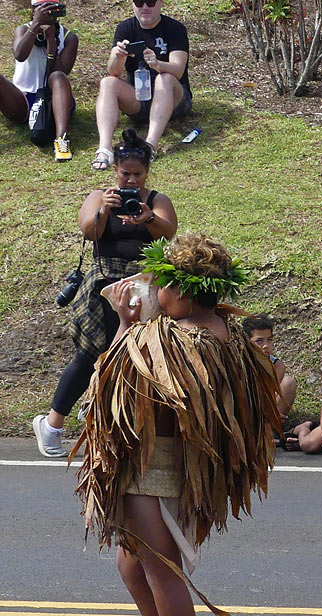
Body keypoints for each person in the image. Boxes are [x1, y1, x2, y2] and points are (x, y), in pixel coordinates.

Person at [72, 233, 279, 616]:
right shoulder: (218, 330)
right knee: (132, 563)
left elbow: (118, 386)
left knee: (161, 570)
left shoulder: (178, 340)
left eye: (161, 283)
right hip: (172, 464)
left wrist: (126, 325)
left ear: (182, 292)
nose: (154, 291)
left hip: (156, 465)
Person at [33, 128, 177, 458]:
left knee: (138, 358)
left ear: (147, 173)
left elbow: (169, 231)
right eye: (125, 174)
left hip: (143, 284)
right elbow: (88, 230)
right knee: (90, 354)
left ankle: (118, 429)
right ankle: (52, 425)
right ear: (115, 170)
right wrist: (105, 210)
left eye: (137, 175)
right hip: (102, 284)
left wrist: (148, 217)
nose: (130, 181)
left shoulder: (156, 200)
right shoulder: (100, 197)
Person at [92, 0, 191, 170]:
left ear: (160, 3)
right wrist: (118, 56)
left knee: (164, 78)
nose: (145, 7)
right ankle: (105, 149)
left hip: (174, 99)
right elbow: (113, 72)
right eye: (139, 2)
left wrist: (158, 65)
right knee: (107, 82)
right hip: (140, 97)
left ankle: (150, 146)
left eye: (151, 2)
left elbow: (178, 69)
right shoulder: (125, 28)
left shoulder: (175, 29)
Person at [0, 0, 78, 160]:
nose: (47, 14)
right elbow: (20, 55)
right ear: (33, 11)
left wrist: (51, 42)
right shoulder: (23, 29)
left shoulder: (69, 37)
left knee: (58, 77)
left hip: (53, 102)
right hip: (23, 99)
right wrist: (35, 25)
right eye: (42, 9)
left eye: (52, 9)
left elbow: (61, 72)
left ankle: (62, 139)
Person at [242, 314, 297, 420]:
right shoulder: (239, 363)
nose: (266, 345)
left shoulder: (277, 365)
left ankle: (273, 429)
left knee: (289, 383)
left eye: (269, 340)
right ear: (246, 341)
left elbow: (271, 395)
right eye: (259, 341)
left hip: (266, 408)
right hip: (245, 410)